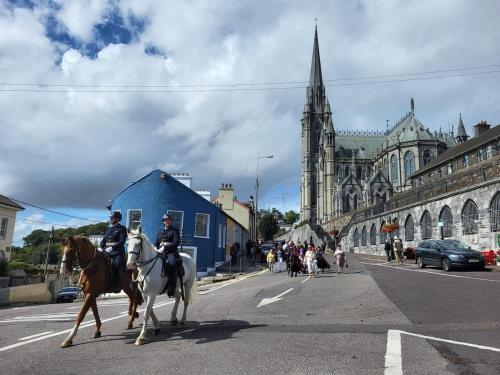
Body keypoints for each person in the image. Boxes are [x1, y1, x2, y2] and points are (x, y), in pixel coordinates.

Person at [99, 211, 127, 293]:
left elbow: (121, 242)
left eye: (112, 218)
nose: (110, 219)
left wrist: (111, 247)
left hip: (117, 252)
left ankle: (117, 284)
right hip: (106, 252)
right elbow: (104, 240)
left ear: (117, 219)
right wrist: (100, 247)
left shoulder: (122, 229)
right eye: (110, 218)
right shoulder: (108, 229)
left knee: (117, 264)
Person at [154, 213, 181, 297]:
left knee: (172, 264)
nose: (167, 221)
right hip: (160, 252)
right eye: (165, 220)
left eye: (168, 220)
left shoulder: (175, 230)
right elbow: (156, 243)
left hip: (171, 252)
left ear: (170, 221)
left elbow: (175, 243)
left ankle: (171, 288)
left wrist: (164, 248)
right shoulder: (160, 231)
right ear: (163, 222)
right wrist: (155, 248)